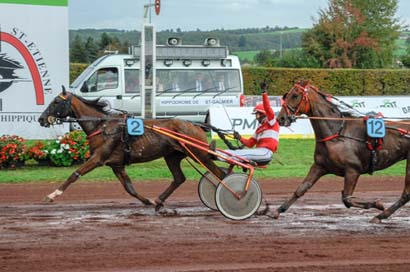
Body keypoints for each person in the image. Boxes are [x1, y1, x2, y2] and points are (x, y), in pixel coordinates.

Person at [211, 83, 279, 164]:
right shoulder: (259, 129)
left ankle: (217, 155)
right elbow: (250, 143)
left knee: (240, 153)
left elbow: (267, 108)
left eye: (257, 114)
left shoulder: (272, 123)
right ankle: (216, 152)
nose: (256, 117)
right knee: (238, 152)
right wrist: (239, 137)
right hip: (259, 151)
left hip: (266, 152)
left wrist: (264, 93)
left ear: (263, 114)